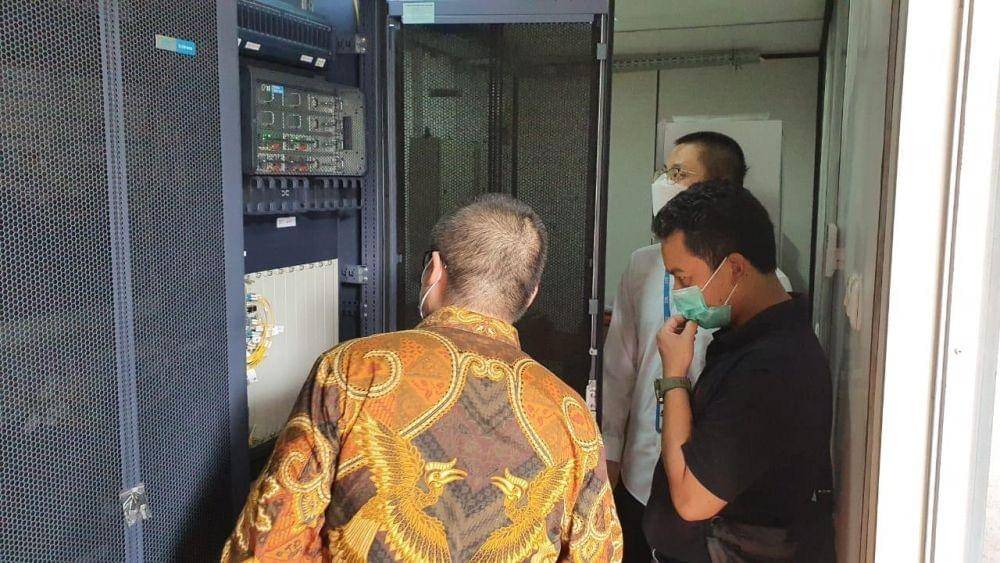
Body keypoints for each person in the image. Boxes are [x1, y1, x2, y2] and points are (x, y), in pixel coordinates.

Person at [223, 194, 623, 562]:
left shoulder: (354, 370)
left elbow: (268, 543)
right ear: (531, 295)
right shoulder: (570, 415)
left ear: (434, 269)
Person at [602, 132, 791, 560]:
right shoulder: (642, 265)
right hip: (640, 471)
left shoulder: (765, 288)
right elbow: (618, 370)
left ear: (716, 188)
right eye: (664, 171)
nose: (664, 183)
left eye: (678, 173)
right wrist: (608, 460)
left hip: (712, 484)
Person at [645, 181, 833, 562]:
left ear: (733, 268)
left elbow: (692, 500)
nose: (678, 292)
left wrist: (674, 377)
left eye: (684, 278)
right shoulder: (747, 338)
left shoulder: (772, 368)